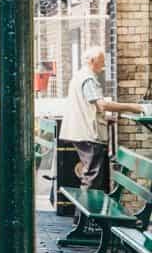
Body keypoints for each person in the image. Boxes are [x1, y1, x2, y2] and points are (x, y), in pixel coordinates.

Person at [60, 46, 143, 191]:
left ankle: (83, 213)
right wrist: (133, 107)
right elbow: (102, 105)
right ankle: (88, 212)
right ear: (92, 61)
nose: (104, 65)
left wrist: (105, 118)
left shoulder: (79, 76)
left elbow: (90, 106)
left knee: (90, 173)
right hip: (89, 134)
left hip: (80, 132)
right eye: (102, 61)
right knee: (92, 176)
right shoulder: (88, 79)